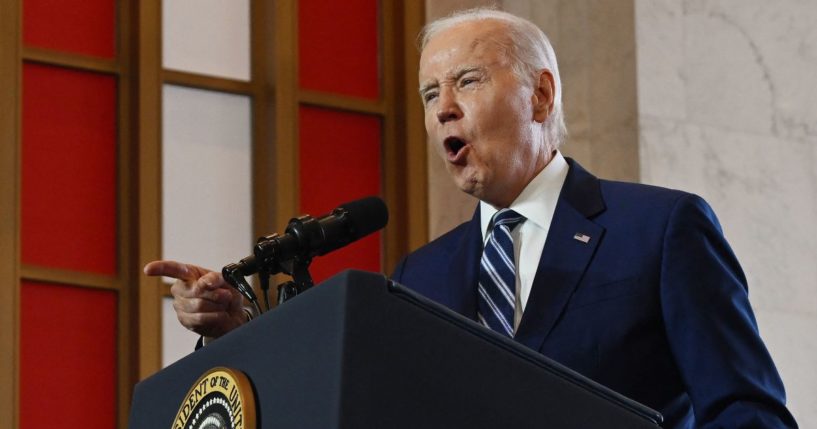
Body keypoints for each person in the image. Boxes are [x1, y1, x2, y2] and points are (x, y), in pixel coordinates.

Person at [145, 8, 797, 428]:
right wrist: (244, 333)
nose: (442, 110)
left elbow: (749, 411)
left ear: (540, 94)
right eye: (431, 94)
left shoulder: (658, 230)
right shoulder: (421, 275)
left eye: (467, 82)